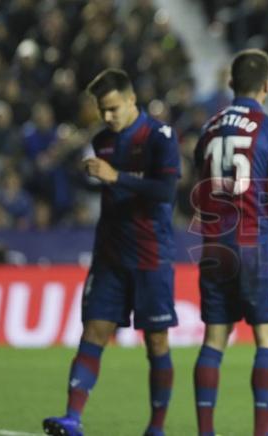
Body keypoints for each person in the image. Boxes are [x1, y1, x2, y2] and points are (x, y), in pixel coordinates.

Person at [43, 68, 181, 436]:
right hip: (110, 255)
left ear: (131, 99)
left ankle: (156, 427)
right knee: (93, 332)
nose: (107, 117)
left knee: (156, 342)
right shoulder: (101, 140)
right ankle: (72, 418)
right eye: (102, 110)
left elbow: (166, 193)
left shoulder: (159, 136)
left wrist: (115, 176)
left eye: (113, 108)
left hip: (151, 253)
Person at [191, 49, 268, 436]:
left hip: (213, 244)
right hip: (255, 245)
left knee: (215, 339)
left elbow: (199, 190)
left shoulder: (208, 128)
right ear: (267, 84)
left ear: (231, 83)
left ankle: (206, 431)